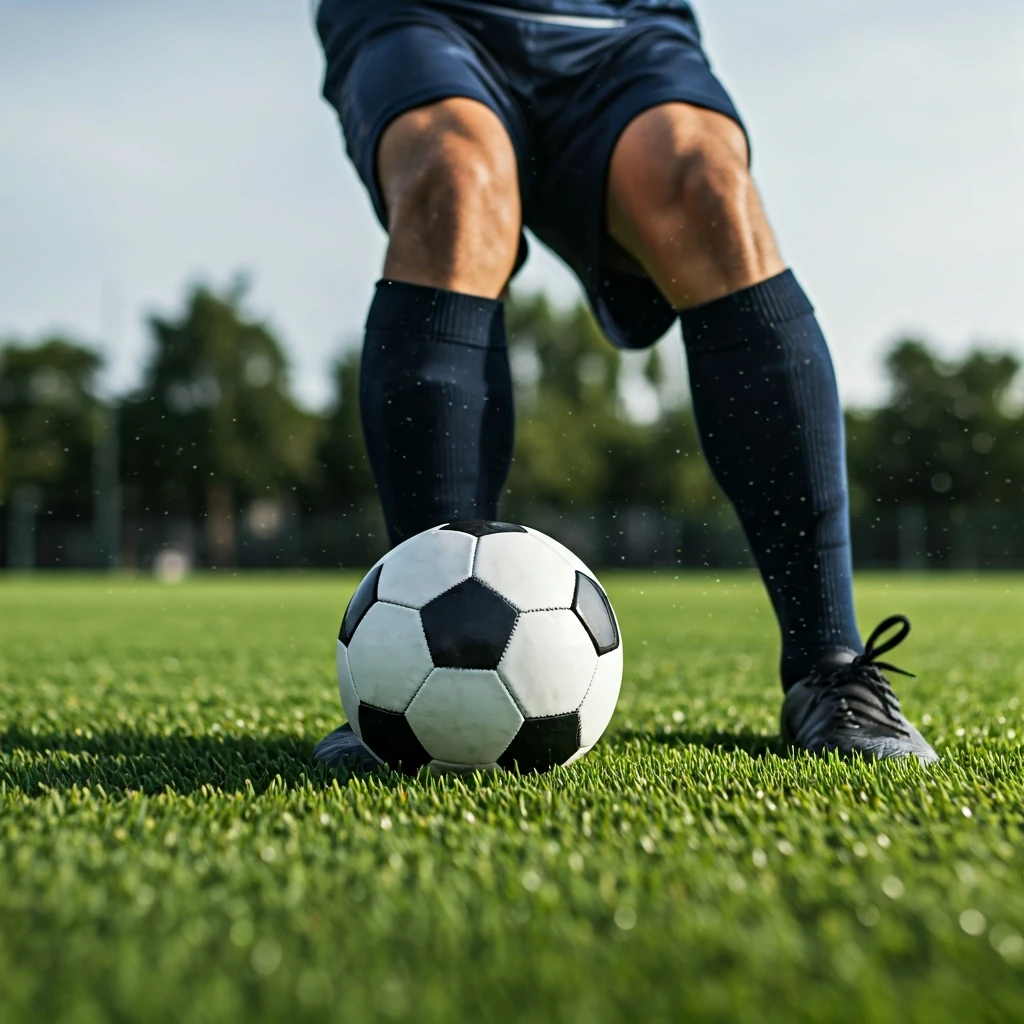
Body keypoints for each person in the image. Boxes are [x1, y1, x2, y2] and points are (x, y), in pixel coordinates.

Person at [311, 0, 937, 768]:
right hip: (425, 13)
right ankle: (409, 678)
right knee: (455, 176)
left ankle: (830, 665)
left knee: (704, 182)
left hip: (617, 18)